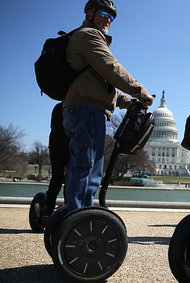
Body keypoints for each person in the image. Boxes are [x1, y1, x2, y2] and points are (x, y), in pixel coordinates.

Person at [62, 0, 154, 212]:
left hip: (83, 108)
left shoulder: (86, 38)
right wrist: (139, 90)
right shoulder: (89, 35)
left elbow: (103, 85)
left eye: (112, 17)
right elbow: (111, 68)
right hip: (87, 110)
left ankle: (76, 215)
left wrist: (129, 101)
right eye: (104, 14)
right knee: (88, 169)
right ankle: (80, 219)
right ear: (90, 13)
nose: (108, 20)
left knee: (85, 166)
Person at [44, 102, 70, 215]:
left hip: (55, 145)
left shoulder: (57, 107)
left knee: (56, 177)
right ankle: (69, 207)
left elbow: (53, 127)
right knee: (70, 179)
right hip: (68, 145)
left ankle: (48, 208)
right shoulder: (73, 107)